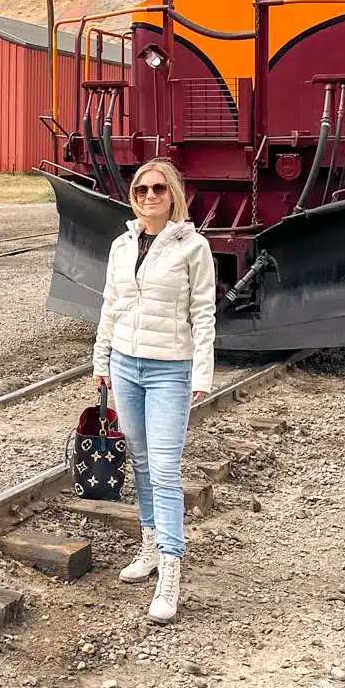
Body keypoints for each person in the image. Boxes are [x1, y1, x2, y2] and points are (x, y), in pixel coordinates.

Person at [93, 158, 216, 623]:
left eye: (158, 189)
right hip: (125, 365)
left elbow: (203, 314)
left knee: (165, 469)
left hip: (170, 369)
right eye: (142, 189)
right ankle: (147, 546)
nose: (149, 196)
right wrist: (101, 360)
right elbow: (111, 304)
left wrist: (202, 374)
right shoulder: (121, 245)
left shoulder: (194, 247)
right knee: (142, 463)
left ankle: (171, 569)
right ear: (133, 196)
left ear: (174, 195)